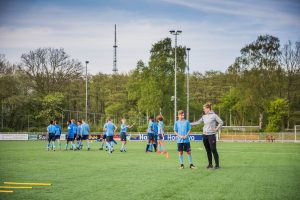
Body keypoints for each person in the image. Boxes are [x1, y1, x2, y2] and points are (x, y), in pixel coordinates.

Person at [191, 102, 223, 169]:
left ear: (208, 108)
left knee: (213, 149)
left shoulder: (214, 115)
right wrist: (188, 123)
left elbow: (221, 122)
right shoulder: (204, 116)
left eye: (204, 109)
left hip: (211, 135)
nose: (204, 110)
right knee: (208, 150)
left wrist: (216, 128)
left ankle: (217, 165)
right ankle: (210, 164)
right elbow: (198, 122)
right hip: (205, 135)